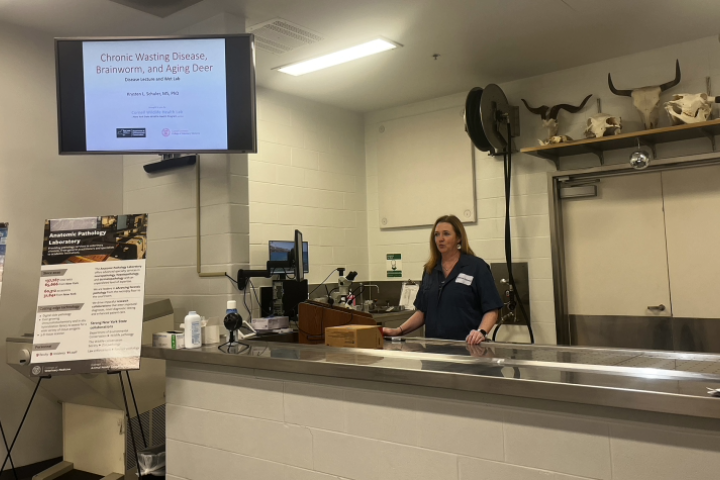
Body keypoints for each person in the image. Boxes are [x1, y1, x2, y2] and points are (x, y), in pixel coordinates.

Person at [382, 215, 504, 345]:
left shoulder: (476, 267)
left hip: (468, 350)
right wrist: (398, 331)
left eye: (446, 234)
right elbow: (423, 312)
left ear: (458, 238)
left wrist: (481, 332)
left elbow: (492, 309)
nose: (440, 239)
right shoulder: (430, 270)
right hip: (434, 351)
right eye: (437, 235)